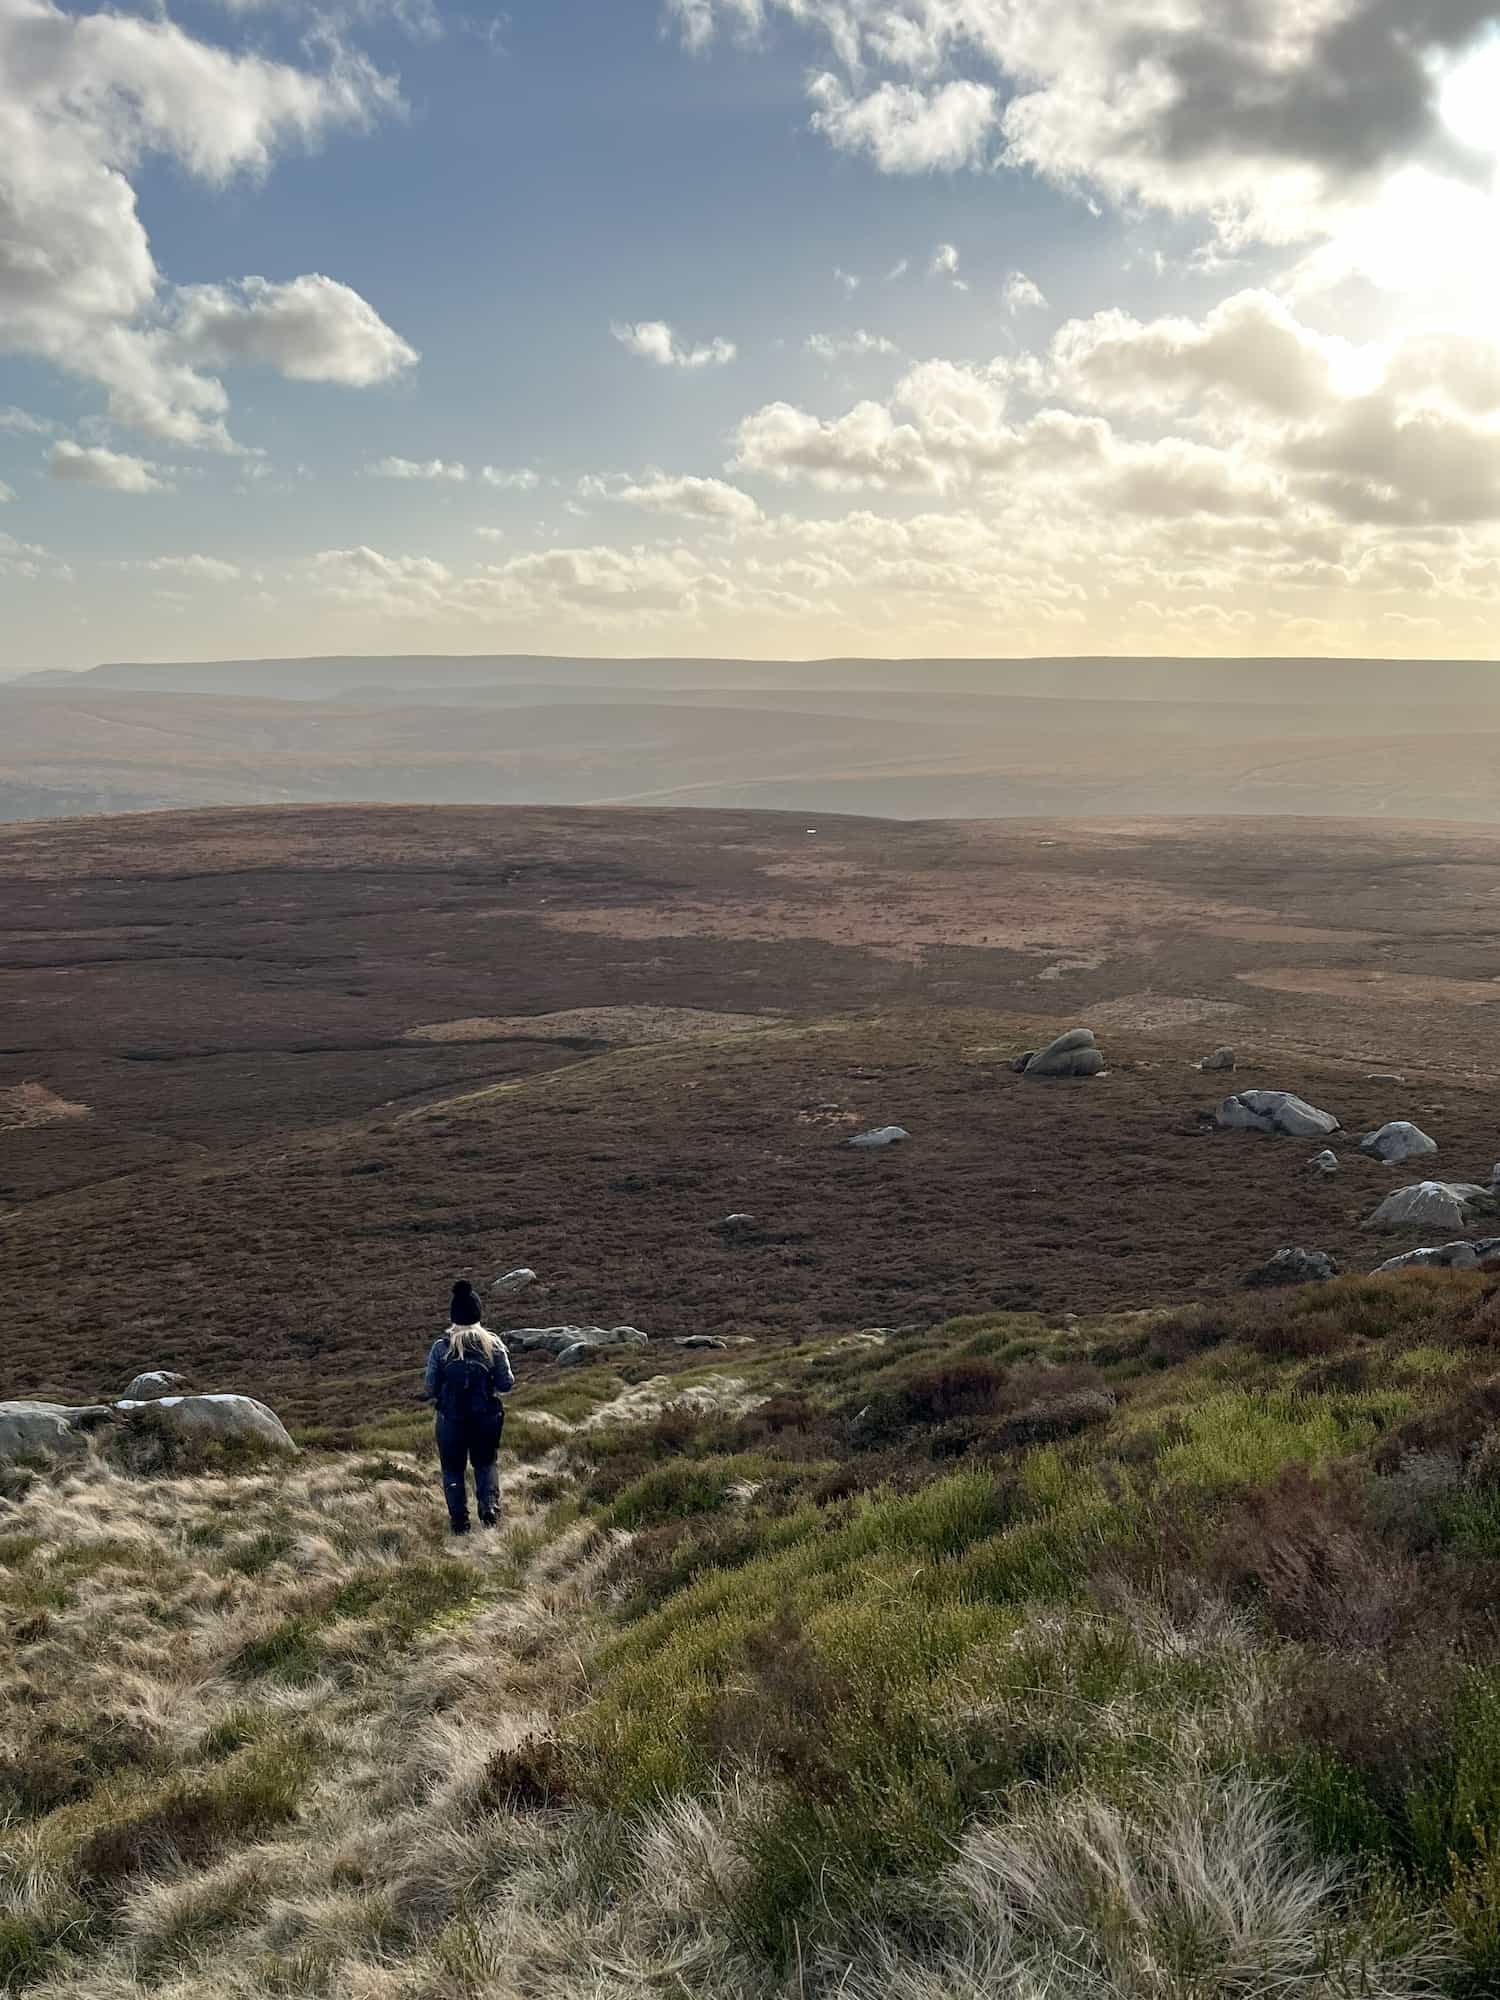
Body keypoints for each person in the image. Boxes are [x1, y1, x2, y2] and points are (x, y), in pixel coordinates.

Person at [424, 1281, 515, 1535]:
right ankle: (489, 1511)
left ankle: (459, 1521)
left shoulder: (441, 1347)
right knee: (485, 1464)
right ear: (478, 1313)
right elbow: (506, 1383)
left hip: (450, 1419)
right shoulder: (493, 1344)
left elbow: (430, 1387)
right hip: (486, 1417)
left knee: (452, 1469)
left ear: (453, 1315)